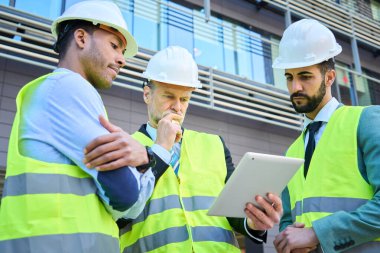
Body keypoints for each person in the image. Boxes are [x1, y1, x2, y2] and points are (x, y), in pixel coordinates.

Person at [83, 45, 283, 253]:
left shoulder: (214, 145)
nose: (177, 107)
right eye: (169, 96)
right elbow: (117, 217)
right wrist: (162, 147)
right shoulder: (123, 146)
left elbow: (234, 216)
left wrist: (255, 224)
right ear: (147, 95)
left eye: (185, 99)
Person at [0, 1, 161, 252]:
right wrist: (143, 162)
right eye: (114, 46)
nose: (122, 60)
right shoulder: (68, 88)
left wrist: (141, 159)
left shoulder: (53, 92)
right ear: (82, 38)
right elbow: (127, 197)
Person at [272, 19, 380, 252]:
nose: (295, 87)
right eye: (289, 77)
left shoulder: (367, 121)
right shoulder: (292, 151)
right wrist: (287, 239)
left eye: (305, 76)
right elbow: (289, 219)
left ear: (330, 78)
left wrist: (317, 233)